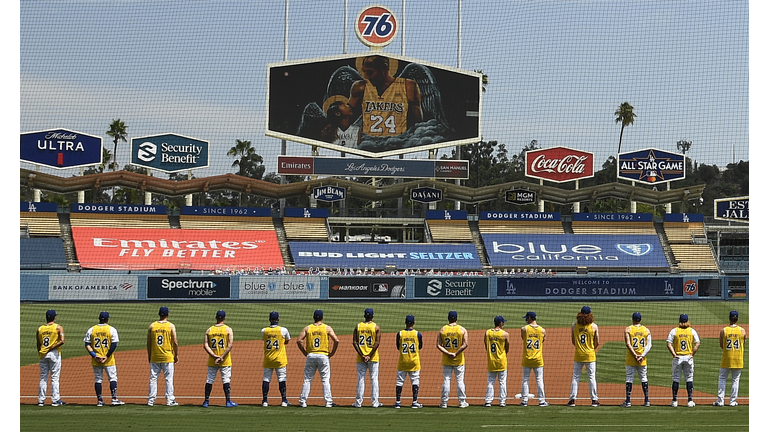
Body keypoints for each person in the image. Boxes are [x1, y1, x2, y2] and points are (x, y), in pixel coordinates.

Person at [348, 55, 423, 138]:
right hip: (368, 142)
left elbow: (418, 123)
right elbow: (346, 118)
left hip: (398, 142)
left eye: (370, 72)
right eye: (364, 72)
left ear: (384, 67)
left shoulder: (408, 86)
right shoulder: (360, 87)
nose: (366, 76)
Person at [297, 309, 340, 408]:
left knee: (307, 379)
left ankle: (302, 401)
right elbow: (336, 340)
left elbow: (299, 340)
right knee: (325, 380)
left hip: (311, 355)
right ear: (322, 317)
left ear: (313, 317)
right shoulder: (327, 328)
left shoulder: (308, 328)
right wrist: (332, 353)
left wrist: (305, 353)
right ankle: (328, 402)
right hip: (323, 356)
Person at [84, 311, 124, 406]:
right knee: (112, 378)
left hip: (96, 359)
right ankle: (114, 399)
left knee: (98, 379)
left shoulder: (92, 329)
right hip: (108, 360)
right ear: (107, 319)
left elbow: (87, 344)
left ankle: (100, 401)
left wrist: (95, 355)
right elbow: (114, 345)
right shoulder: (111, 329)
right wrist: (106, 356)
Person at [202, 310, 237, 408]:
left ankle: (206, 401)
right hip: (225, 360)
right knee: (226, 380)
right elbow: (230, 345)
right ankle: (228, 401)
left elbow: (205, 345)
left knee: (210, 379)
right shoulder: (228, 329)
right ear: (224, 318)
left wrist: (214, 356)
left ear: (216, 317)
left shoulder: (209, 330)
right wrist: (221, 357)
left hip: (212, 360)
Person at [666, 314, 700, 407]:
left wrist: (674, 354)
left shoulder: (674, 331)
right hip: (688, 358)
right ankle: (689, 401)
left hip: (678, 358)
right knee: (689, 379)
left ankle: (674, 401)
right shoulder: (692, 331)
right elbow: (697, 344)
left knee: (676, 379)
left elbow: (669, 344)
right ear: (687, 321)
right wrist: (692, 354)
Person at [147, 306, 179, 406]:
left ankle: (150, 400)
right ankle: (170, 400)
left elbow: (148, 343)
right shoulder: (170, 326)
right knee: (168, 379)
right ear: (167, 314)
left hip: (155, 357)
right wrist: (176, 355)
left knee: (153, 379)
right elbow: (175, 342)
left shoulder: (152, 326)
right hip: (167, 357)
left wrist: (149, 355)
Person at [437, 310, 469, 408]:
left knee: (446, 380)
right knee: (460, 380)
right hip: (459, 360)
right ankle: (462, 402)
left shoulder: (442, 330)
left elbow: (438, 345)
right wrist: (455, 353)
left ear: (448, 318)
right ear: (457, 318)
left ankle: (444, 402)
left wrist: (448, 353)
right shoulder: (462, 330)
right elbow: (465, 344)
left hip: (447, 360)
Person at [568, 306, 599, 407]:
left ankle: (572, 400)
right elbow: (597, 342)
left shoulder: (574, 326)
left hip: (578, 355)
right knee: (591, 377)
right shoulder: (594, 326)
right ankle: (594, 400)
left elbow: (573, 341)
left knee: (576, 377)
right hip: (590, 355)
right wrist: (590, 348)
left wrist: (580, 348)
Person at [714, 310, 745, 407]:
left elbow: (721, 345)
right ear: (737, 319)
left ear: (729, 318)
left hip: (727, 358)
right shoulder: (742, 330)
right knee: (735, 380)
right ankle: (732, 401)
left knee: (722, 379)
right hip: (738, 358)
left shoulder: (724, 330)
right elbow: (744, 342)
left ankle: (720, 401)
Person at [353, 308, 383, 408]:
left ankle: (358, 403)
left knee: (361, 378)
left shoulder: (358, 326)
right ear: (372, 316)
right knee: (374, 378)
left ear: (364, 316)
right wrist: (369, 355)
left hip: (360, 357)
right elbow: (377, 343)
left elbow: (355, 342)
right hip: (373, 357)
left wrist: (362, 355)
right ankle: (375, 403)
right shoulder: (376, 327)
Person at [622, 312, 652, 407]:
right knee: (643, 378)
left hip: (631, 358)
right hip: (642, 359)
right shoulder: (646, 330)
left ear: (632, 319)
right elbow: (649, 345)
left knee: (629, 378)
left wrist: (635, 355)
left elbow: (628, 344)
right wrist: (641, 355)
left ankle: (628, 401)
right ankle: (647, 400)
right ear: (641, 319)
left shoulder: (628, 329)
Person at [262, 311, 291, 407]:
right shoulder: (283, 330)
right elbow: (287, 341)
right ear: (278, 319)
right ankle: (284, 400)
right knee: (282, 379)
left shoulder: (264, 331)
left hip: (268, 359)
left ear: (269, 319)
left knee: (266, 379)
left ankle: (265, 401)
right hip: (280, 359)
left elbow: (264, 339)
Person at [37, 309, 66, 406]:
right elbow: (62, 341)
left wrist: (41, 352)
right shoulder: (58, 327)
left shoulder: (40, 329)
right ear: (54, 317)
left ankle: (41, 400)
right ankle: (55, 400)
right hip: (54, 354)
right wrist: (51, 348)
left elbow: (38, 344)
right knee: (54, 377)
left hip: (43, 354)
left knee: (43, 377)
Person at [395, 315, 423, 409]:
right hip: (414, 361)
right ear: (413, 323)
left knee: (399, 381)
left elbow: (398, 347)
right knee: (415, 380)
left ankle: (398, 402)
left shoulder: (400, 334)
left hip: (403, 361)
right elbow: (420, 346)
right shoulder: (417, 334)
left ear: (405, 322)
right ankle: (414, 402)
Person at [521, 311, 548, 407]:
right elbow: (543, 341)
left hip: (527, 358)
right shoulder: (542, 330)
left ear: (529, 318)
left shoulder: (524, 329)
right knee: (539, 380)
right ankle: (541, 401)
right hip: (538, 359)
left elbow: (523, 338)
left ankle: (524, 401)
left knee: (525, 379)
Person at [484, 316, 509, 407]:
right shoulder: (505, 334)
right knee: (502, 382)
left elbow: (486, 345)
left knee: (490, 381)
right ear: (501, 323)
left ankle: (488, 401)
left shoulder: (487, 333)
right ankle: (502, 401)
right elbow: (507, 347)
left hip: (491, 361)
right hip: (501, 361)